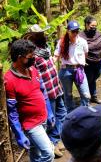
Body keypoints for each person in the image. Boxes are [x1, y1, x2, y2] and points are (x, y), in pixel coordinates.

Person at [4, 39, 54, 162]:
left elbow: (43, 92)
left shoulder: (32, 70)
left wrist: (49, 111)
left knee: (35, 152)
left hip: (42, 118)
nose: (34, 59)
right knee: (49, 153)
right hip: (31, 124)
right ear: (20, 57)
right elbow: (12, 111)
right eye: (30, 57)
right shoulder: (9, 80)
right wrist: (19, 133)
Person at [23, 24, 67, 157]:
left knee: (62, 113)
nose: (43, 36)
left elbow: (51, 66)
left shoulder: (45, 48)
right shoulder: (30, 55)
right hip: (46, 91)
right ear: (32, 37)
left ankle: (55, 139)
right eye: (39, 34)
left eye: (42, 33)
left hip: (56, 87)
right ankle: (50, 144)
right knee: (50, 120)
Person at [54, 20, 90, 113]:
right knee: (68, 95)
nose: (75, 33)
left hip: (79, 70)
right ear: (68, 31)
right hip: (66, 71)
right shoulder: (61, 42)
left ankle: (84, 113)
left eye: (77, 31)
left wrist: (79, 62)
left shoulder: (82, 42)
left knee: (86, 94)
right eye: (73, 31)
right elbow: (56, 56)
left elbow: (85, 54)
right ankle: (71, 115)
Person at [79, 16, 101, 104]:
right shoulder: (81, 36)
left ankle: (92, 96)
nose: (94, 28)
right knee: (88, 80)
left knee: (94, 78)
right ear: (86, 25)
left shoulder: (98, 33)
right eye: (92, 26)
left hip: (99, 61)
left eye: (95, 26)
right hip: (88, 64)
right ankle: (87, 99)